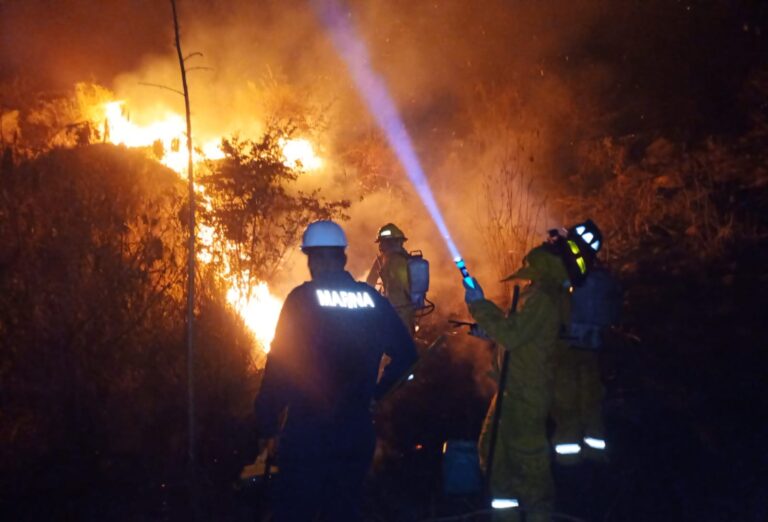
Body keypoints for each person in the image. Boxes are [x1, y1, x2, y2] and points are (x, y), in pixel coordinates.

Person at [254, 220, 417, 522]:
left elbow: (279, 366)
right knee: (343, 511)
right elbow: (407, 355)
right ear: (342, 258)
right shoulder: (372, 301)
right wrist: (377, 394)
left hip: (308, 434)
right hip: (355, 434)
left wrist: (266, 424)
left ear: (312, 260)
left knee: (295, 511)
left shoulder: (301, 300)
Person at [464, 245, 569, 522]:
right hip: (511, 390)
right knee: (493, 452)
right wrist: (490, 328)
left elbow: (513, 337)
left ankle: (538, 516)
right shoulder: (536, 295)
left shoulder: (543, 299)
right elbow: (517, 337)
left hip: (527, 395)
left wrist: (479, 305)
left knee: (529, 464)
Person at [366, 223, 415, 332]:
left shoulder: (388, 261)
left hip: (393, 310)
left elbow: (369, 283)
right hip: (407, 310)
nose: (381, 246)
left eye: (383, 242)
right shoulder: (406, 259)